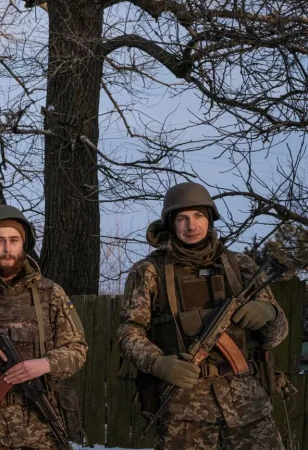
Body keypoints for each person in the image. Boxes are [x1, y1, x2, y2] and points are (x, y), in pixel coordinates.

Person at [116, 182, 288, 449]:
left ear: (210, 219)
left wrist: (269, 313)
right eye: (182, 218)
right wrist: (159, 363)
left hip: (248, 408)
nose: (191, 226)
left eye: (198, 216)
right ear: (171, 224)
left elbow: (276, 336)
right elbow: (128, 333)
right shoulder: (149, 271)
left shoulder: (240, 265)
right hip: (184, 412)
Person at [0, 205, 86, 450]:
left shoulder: (51, 293)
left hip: (40, 426)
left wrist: (45, 364)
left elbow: (77, 350)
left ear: (24, 244)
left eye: (14, 240)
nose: (7, 248)